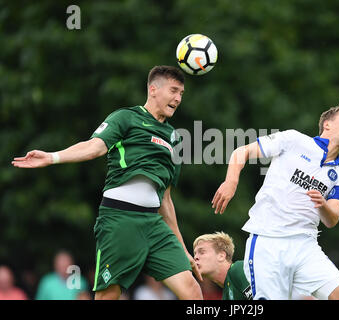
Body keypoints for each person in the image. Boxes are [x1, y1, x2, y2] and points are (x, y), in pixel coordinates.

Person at [12, 65, 202, 300]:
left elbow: (166, 199)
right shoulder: (126, 117)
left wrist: (183, 249)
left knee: (192, 291)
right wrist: (52, 157)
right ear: (153, 89)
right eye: (173, 90)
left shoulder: (174, 137)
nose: (178, 98)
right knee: (107, 296)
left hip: (154, 225)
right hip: (120, 219)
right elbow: (93, 148)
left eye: (181, 93)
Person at [212, 103, 339, 300]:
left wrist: (323, 205)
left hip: (305, 245)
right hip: (269, 240)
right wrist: (231, 181)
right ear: (327, 125)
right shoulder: (294, 140)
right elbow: (242, 152)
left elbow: (332, 219)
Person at [193, 231, 252, 300]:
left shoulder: (238, 269)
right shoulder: (225, 295)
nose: (195, 257)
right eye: (195, 254)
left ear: (221, 256)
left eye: (202, 252)